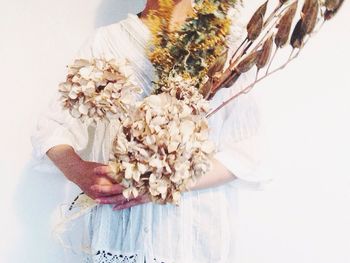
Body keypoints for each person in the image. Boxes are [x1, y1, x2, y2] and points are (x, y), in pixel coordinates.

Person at [31, 0, 270, 262]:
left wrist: (159, 185)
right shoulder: (108, 42)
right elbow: (53, 125)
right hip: (120, 232)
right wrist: (80, 172)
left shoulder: (228, 45)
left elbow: (247, 150)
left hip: (189, 234)